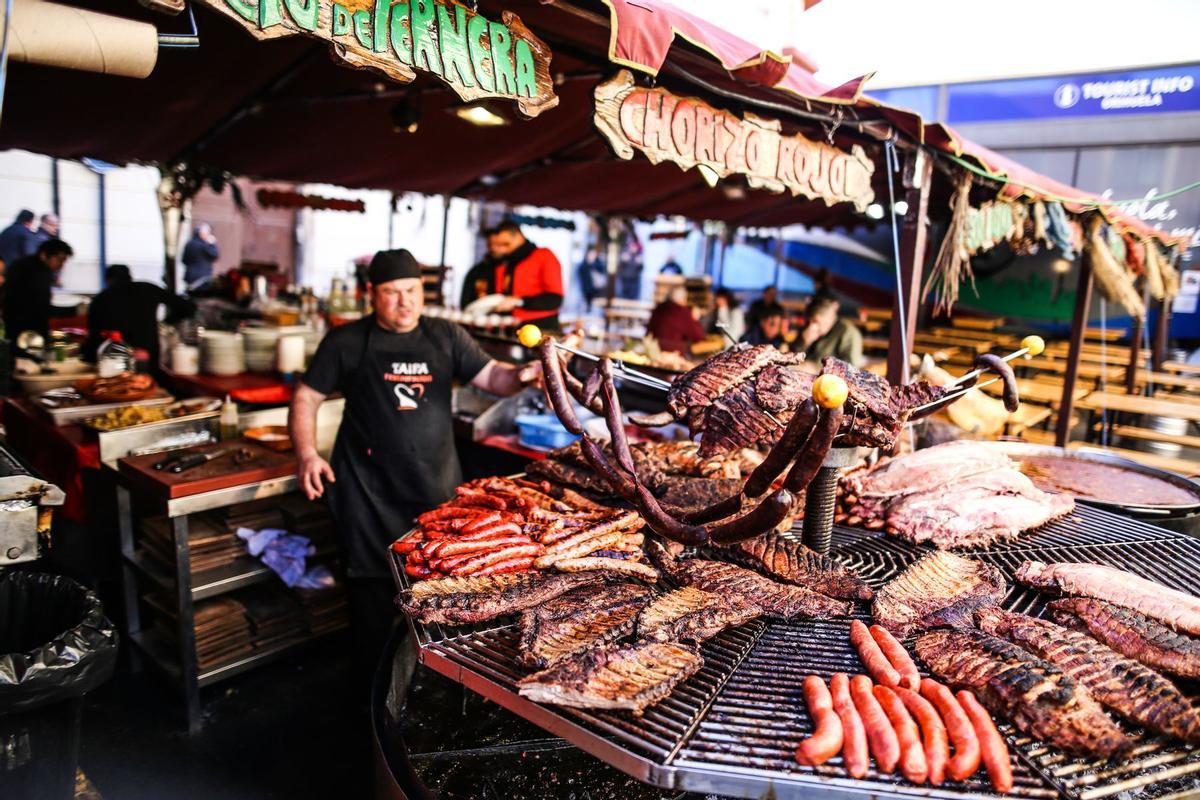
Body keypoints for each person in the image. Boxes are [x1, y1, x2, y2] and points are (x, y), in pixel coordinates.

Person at [288, 249, 538, 680]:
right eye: (391, 292)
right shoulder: (346, 341)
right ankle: (367, 691)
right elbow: (306, 397)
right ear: (370, 294)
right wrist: (307, 453)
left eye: (411, 291)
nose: (404, 302)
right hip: (367, 496)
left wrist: (522, 376)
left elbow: (493, 377)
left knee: (439, 600)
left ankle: (426, 682)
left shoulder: (445, 336)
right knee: (368, 603)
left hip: (436, 497)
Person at [83, 264, 195, 367]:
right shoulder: (148, 288)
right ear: (130, 276)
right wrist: (167, 321)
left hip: (114, 361)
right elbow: (188, 307)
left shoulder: (100, 299)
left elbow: (93, 334)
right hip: (149, 356)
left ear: (108, 280)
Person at [487, 221, 564, 329]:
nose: (503, 250)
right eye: (500, 245)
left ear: (519, 237)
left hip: (541, 328)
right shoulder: (504, 263)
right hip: (511, 326)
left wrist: (519, 301)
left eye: (506, 244)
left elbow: (554, 299)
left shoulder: (544, 256)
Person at [3, 238, 73, 342]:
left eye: (64, 261)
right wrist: (74, 310)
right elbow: (42, 307)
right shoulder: (40, 273)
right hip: (29, 334)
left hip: (13, 329)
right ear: (44, 255)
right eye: (59, 260)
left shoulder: (20, 264)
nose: (61, 265)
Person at [800, 295, 865, 367]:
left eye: (816, 321)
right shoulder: (807, 327)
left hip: (829, 376)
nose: (811, 326)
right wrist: (804, 343)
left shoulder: (848, 333)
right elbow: (793, 356)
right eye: (809, 321)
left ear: (829, 318)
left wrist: (816, 369)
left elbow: (852, 369)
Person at [646, 285, 705, 354]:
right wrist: (695, 319)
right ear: (683, 298)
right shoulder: (683, 312)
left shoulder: (658, 308)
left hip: (654, 351)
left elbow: (648, 332)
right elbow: (698, 336)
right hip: (674, 354)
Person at [181, 223, 220, 291]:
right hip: (202, 278)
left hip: (190, 276)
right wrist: (213, 243)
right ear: (202, 233)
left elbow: (184, 260)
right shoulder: (204, 245)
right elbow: (215, 255)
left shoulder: (189, 243)